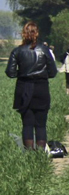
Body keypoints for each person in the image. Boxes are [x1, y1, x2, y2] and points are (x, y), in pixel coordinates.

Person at [5, 21, 59, 151]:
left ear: (23, 34)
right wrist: (41, 74)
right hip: (41, 88)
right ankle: (40, 154)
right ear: (37, 33)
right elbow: (53, 72)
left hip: (24, 88)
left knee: (27, 124)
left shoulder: (17, 51)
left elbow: (10, 72)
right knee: (41, 124)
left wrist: (24, 73)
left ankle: (29, 152)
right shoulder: (44, 50)